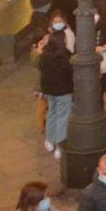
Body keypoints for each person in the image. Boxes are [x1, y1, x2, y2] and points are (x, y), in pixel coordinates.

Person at [36, 14, 75, 159]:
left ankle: (49, 140)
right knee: (63, 116)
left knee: (52, 113)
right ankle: (60, 145)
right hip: (63, 90)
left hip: (49, 90)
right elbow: (71, 70)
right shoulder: (65, 55)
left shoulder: (45, 55)